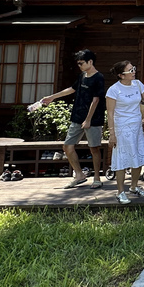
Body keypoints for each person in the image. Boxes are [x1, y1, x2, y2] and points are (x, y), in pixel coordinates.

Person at [39, 49, 105, 189]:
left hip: (93, 119)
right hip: (77, 117)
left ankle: (97, 178)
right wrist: (52, 97)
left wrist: (88, 120)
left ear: (90, 62)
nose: (79, 66)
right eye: (78, 63)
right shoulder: (82, 76)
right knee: (67, 146)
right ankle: (79, 175)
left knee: (94, 148)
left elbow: (96, 100)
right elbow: (71, 89)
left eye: (81, 63)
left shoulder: (99, 77)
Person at [106, 60, 144, 205]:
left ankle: (134, 186)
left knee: (138, 155)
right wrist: (111, 133)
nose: (133, 72)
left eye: (133, 69)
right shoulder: (114, 90)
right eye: (130, 70)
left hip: (137, 126)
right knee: (122, 159)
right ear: (121, 75)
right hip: (121, 128)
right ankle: (120, 191)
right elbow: (110, 113)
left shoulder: (138, 84)